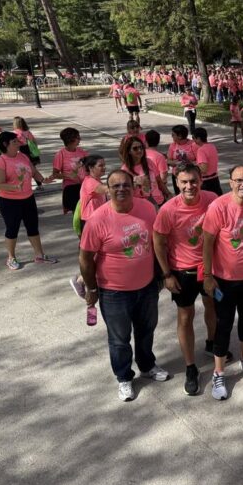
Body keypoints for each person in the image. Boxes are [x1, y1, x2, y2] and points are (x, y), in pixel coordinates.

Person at [79, 170, 170, 402]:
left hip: (147, 285)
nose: (121, 189)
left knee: (146, 330)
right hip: (114, 292)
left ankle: (147, 366)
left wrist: (163, 274)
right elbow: (85, 258)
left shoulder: (147, 209)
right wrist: (91, 289)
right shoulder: (97, 219)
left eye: (126, 185)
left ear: (134, 186)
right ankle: (124, 377)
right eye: (115, 186)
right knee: (119, 339)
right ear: (107, 190)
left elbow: (157, 242)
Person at [153, 163, 225, 397]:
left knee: (212, 305)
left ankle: (212, 342)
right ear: (176, 183)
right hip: (182, 271)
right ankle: (191, 367)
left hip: (209, 268)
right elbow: (159, 242)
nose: (189, 186)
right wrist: (166, 275)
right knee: (185, 316)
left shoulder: (213, 198)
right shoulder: (168, 209)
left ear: (201, 180)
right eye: (184, 182)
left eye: (193, 181)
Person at [202, 165, 243, 400]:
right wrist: (208, 276)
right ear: (230, 182)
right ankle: (219, 372)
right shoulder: (218, 206)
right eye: (238, 180)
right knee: (223, 324)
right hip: (224, 280)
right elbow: (207, 244)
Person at [0, 132, 56, 270]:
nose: (19, 143)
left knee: (33, 227)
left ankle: (39, 255)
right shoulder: (1, 161)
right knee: (12, 229)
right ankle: (11, 257)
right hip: (9, 201)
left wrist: (44, 180)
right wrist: (14, 187)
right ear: (6, 144)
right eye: (15, 142)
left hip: (28, 198)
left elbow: (33, 172)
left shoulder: (23, 156)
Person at [69, 155, 108, 298]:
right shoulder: (90, 182)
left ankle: (84, 280)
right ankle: (80, 280)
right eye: (100, 166)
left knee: (97, 254)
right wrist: (129, 182)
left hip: (98, 222)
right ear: (91, 168)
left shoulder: (95, 180)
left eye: (104, 165)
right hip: (90, 223)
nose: (104, 168)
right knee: (91, 255)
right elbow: (108, 190)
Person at [119, 133, 168, 207]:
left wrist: (168, 193)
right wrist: (135, 183)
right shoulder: (125, 169)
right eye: (135, 148)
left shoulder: (149, 162)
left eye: (141, 147)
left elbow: (159, 181)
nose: (139, 150)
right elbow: (125, 191)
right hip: (141, 205)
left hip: (159, 201)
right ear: (129, 151)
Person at [52, 127, 87, 214]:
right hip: (71, 189)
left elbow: (89, 166)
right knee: (77, 215)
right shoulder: (60, 154)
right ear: (71, 139)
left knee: (86, 212)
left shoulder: (81, 151)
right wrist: (69, 176)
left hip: (84, 186)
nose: (80, 139)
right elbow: (55, 174)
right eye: (78, 137)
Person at [166, 125, 196, 195]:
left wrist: (189, 162)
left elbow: (199, 161)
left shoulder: (193, 144)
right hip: (177, 175)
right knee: (179, 195)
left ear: (180, 136)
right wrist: (176, 163)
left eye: (173, 135)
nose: (172, 137)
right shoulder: (173, 145)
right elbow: (168, 160)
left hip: (191, 175)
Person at [192, 127, 223, 196]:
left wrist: (194, 165)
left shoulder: (201, 150)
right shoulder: (212, 146)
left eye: (194, 138)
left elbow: (204, 169)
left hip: (206, 181)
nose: (193, 141)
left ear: (199, 138)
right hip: (215, 178)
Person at [144, 129, 169, 195]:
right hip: (157, 190)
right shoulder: (160, 156)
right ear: (158, 141)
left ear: (146, 141)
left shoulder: (141, 154)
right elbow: (163, 175)